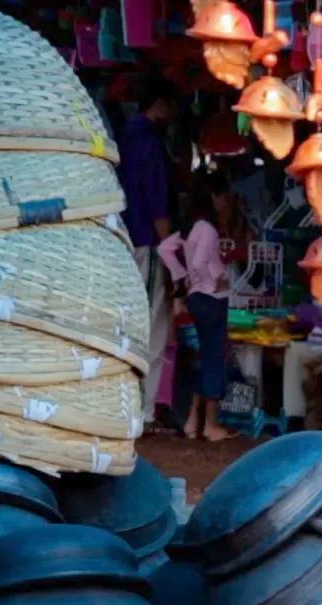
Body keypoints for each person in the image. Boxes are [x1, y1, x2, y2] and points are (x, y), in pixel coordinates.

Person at [116, 78, 177, 426]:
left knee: (126, 322)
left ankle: (125, 404)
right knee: (151, 324)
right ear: (162, 104)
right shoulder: (151, 143)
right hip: (146, 241)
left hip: (123, 239)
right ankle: (143, 409)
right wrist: (172, 255)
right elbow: (158, 204)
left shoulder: (124, 135)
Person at [159, 180, 233, 442]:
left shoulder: (189, 230)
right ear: (212, 198)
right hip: (211, 298)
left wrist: (182, 276)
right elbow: (201, 261)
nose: (224, 202)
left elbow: (164, 249)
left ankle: (192, 420)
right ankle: (210, 425)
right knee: (214, 359)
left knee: (206, 357)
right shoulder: (208, 229)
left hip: (196, 299)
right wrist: (212, 279)